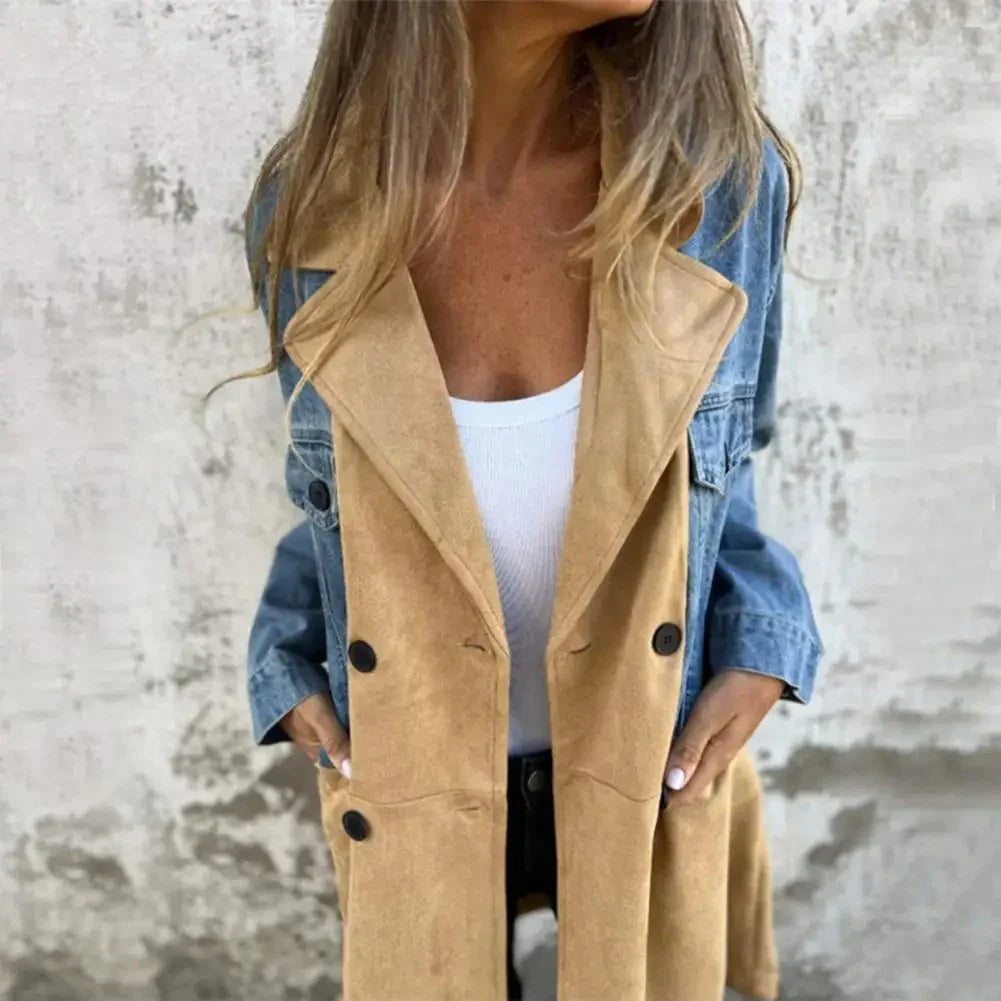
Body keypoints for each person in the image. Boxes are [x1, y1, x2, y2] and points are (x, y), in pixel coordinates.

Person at [227, 2, 825, 998]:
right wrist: (282, 656)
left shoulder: (714, 186)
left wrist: (764, 639)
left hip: (649, 756)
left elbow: (725, 461)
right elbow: (336, 489)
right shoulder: (311, 205)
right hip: (412, 762)